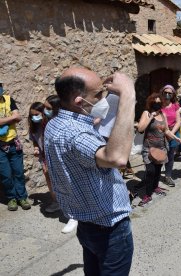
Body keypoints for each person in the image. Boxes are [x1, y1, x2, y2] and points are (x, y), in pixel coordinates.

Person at [44, 67, 135, 275]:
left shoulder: (55, 124)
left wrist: (93, 123)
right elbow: (117, 158)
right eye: (98, 95)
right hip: (109, 229)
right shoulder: (76, 135)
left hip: (87, 224)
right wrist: (128, 95)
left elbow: (77, 138)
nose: (102, 99)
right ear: (79, 101)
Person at [137, 93, 181, 207]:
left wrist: (176, 138)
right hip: (149, 148)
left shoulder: (163, 114)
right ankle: (147, 195)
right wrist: (151, 117)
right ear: (150, 103)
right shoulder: (146, 113)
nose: (157, 104)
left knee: (157, 170)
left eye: (158, 102)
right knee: (150, 171)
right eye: (154, 102)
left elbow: (166, 130)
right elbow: (140, 128)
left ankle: (155, 187)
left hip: (161, 147)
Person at [44, 95, 79, 233]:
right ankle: (71, 212)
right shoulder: (47, 121)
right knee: (62, 187)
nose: (44, 110)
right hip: (54, 160)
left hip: (69, 160)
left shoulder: (69, 122)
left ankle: (75, 216)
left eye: (48, 108)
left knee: (73, 186)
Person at [0, 81, 30, 211]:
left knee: (18, 172)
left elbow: (18, 117)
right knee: (5, 175)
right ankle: (11, 198)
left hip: (13, 143)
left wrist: (5, 120)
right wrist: (10, 118)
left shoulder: (8, 99)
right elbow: (14, 117)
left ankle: (22, 198)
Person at [160, 85, 181, 187]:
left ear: (173, 95)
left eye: (170, 93)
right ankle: (155, 175)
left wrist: (171, 133)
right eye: (165, 93)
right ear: (162, 93)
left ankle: (168, 176)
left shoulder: (175, 105)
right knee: (159, 155)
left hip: (173, 132)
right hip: (160, 133)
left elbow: (178, 121)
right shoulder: (159, 105)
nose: (167, 95)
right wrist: (166, 132)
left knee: (170, 156)